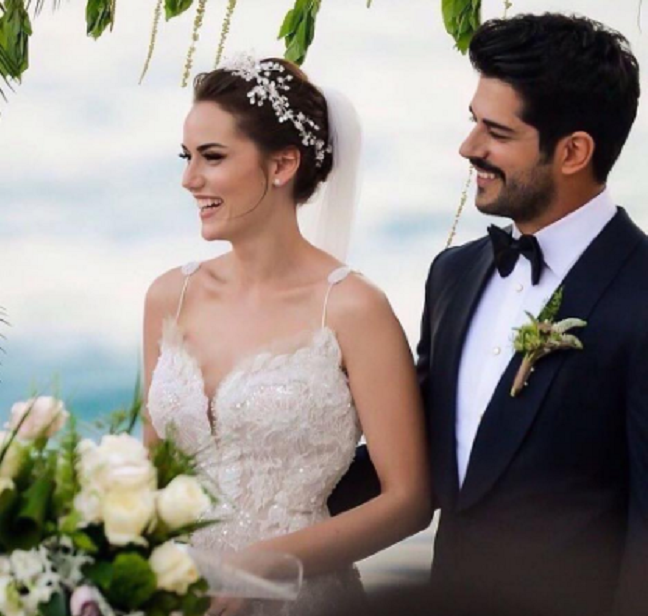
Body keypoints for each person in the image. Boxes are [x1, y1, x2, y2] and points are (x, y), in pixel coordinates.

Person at [333, 12, 647, 616]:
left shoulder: (640, 295)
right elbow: (421, 452)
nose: (469, 147)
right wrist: (262, 503)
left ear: (574, 151)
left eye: (496, 132)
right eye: (473, 121)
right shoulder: (453, 274)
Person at [142, 54, 431, 616]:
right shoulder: (168, 297)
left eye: (212, 157)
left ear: (282, 165)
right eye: (186, 156)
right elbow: (152, 478)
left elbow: (408, 500)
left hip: (300, 600)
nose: (189, 179)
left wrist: (266, 563)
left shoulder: (353, 309)